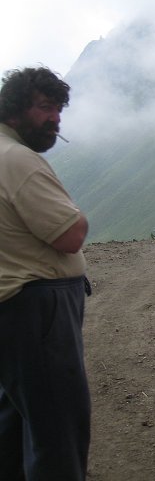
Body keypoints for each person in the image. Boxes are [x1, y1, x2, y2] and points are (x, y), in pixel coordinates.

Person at [0, 67, 91, 480]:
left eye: (58, 109)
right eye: (44, 107)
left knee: (18, 421)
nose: (55, 118)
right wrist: (78, 216)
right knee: (58, 430)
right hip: (38, 310)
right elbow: (70, 235)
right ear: (14, 109)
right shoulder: (17, 160)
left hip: (12, 307)